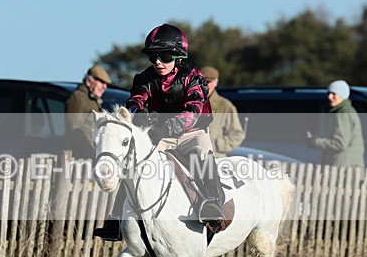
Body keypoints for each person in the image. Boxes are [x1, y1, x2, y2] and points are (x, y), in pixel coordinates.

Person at [93, 23, 224, 241]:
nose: (158, 62)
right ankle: (116, 220)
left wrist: (165, 128)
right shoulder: (144, 78)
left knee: (202, 154)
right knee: (134, 163)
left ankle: (213, 206)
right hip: (160, 133)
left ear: (177, 56)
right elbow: (137, 99)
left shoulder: (195, 78)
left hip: (193, 131)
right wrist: (131, 114)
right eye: (153, 57)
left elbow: (192, 113)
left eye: (163, 56)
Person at [306, 79, 364, 168]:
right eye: (329, 93)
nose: (329, 97)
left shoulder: (342, 113)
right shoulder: (347, 111)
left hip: (343, 167)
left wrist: (315, 141)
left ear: (342, 95)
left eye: (334, 94)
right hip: (350, 167)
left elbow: (340, 143)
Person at [65, 64, 111, 159]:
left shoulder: (92, 100)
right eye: (101, 82)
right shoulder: (79, 98)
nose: (104, 87)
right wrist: (91, 154)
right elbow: (74, 131)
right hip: (82, 157)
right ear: (89, 81)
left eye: (106, 84)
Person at [200, 66, 245, 158]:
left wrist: (217, 145)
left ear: (215, 82)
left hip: (214, 158)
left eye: (207, 82)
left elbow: (238, 134)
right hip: (188, 160)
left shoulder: (225, 106)